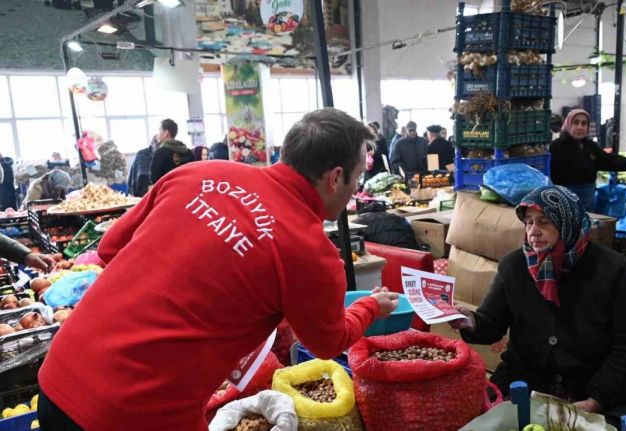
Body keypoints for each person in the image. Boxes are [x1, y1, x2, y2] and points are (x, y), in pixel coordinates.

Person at [37, 108, 400, 431]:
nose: (354, 191)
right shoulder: (311, 252)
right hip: (135, 411)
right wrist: (370, 306)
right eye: (355, 179)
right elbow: (327, 342)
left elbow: (109, 248)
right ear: (335, 177)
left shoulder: (198, 174)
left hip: (59, 373)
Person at [450, 185, 626, 429]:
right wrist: (471, 321)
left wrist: (595, 400)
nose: (533, 232)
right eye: (528, 223)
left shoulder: (611, 269)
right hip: (530, 382)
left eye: (544, 222)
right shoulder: (514, 267)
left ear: (567, 223)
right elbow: (491, 323)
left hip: (596, 388)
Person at [549, 109, 626, 212]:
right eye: (576, 122)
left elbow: (608, 160)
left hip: (587, 196)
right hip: (563, 197)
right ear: (568, 124)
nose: (580, 127)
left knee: (586, 225)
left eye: (584, 123)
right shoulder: (556, 146)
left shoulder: (591, 146)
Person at [149, 119, 195, 184]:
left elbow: (154, 178)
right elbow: (193, 174)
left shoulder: (160, 153)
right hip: (187, 189)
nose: (158, 134)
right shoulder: (189, 152)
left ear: (166, 133)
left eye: (160, 130)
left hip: (168, 191)